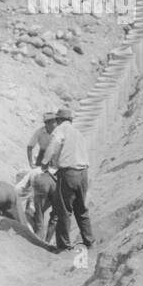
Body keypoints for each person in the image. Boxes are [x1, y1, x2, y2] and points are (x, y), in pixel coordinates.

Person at [42, 106, 93, 252]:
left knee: (63, 210)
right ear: (70, 120)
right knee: (81, 209)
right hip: (83, 173)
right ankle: (89, 241)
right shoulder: (78, 133)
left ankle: (63, 246)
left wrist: (45, 163)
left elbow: (53, 146)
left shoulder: (60, 130)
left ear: (58, 120)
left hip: (69, 173)